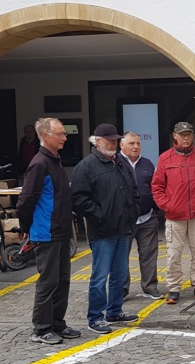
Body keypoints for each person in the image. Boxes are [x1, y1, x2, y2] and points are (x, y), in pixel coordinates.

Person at [72, 124, 140, 334]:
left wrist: (133, 212)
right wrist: (100, 216)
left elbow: (133, 190)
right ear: (97, 141)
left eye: (115, 139)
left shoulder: (120, 162)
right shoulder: (87, 166)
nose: (112, 143)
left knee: (120, 274)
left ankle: (115, 310)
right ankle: (95, 317)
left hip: (123, 228)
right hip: (102, 231)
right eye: (108, 139)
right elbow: (78, 199)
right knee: (100, 276)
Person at [17, 118, 78, 345]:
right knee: (48, 282)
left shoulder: (55, 161)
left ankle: (57, 324)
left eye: (64, 134)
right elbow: (26, 199)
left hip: (61, 231)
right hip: (47, 232)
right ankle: (41, 328)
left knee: (62, 281)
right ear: (46, 136)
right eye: (60, 134)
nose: (65, 137)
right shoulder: (40, 163)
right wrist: (26, 228)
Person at [152, 121, 195, 304]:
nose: (186, 138)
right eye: (182, 134)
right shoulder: (165, 158)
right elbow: (157, 186)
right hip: (174, 216)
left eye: (189, 134)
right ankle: (173, 288)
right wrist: (168, 205)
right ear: (175, 136)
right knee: (174, 254)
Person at [120, 131, 161, 300]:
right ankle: (122, 289)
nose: (136, 146)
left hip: (147, 218)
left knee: (149, 254)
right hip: (124, 220)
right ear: (121, 145)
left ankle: (150, 287)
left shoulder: (147, 164)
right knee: (121, 256)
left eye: (138, 143)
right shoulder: (115, 164)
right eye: (131, 143)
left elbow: (156, 187)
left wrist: (156, 207)